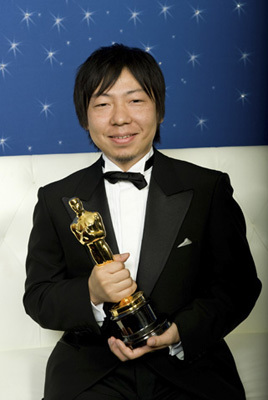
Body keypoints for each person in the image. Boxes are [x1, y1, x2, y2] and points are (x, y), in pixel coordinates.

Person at [23, 44, 261, 400]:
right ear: (84, 117)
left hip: (189, 367)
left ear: (159, 109)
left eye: (135, 101)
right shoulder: (55, 198)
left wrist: (179, 332)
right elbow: (38, 297)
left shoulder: (208, 187)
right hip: (90, 372)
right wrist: (91, 292)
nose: (120, 118)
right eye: (103, 104)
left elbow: (238, 286)